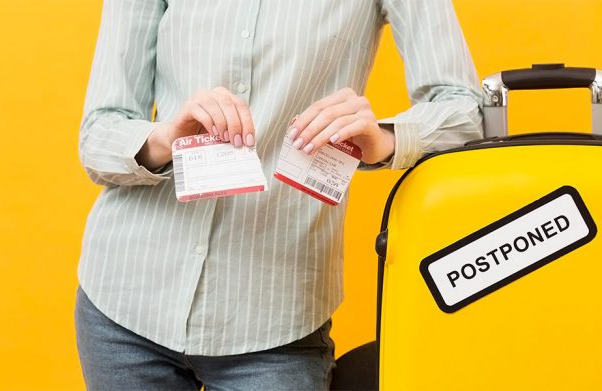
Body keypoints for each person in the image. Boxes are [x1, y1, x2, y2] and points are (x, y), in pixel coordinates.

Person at [74, 0, 483, 389]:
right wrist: (165, 138)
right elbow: (99, 133)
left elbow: (466, 110)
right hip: (125, 301)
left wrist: (385, 139)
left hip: (276, 323)